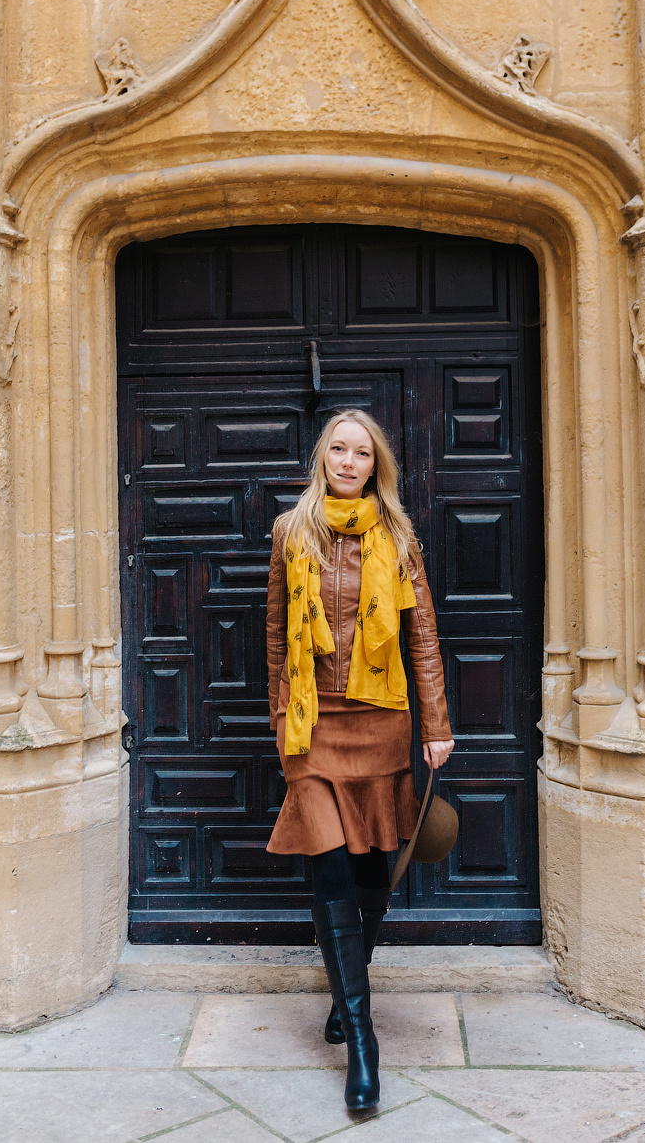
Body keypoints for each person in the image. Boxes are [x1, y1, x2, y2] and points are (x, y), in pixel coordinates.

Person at [265, 409, 454, 1110]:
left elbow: (424, 637)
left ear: (377, 466)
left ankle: (348, 992)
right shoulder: (292, 532)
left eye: (362, 453)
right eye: (339, 450)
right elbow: (276, 640)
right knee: (332, 868)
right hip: (315, 729)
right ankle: (364, 1048)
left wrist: (435, 724)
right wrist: (284, 721)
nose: (349, 462)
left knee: (373, 866)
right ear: (323, 457)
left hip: (381, 721)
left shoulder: (398, 537)